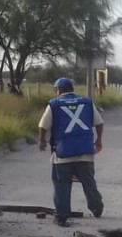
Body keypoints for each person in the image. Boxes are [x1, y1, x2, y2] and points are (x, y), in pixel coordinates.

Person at [38, 77, 105, 226]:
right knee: (89, 183)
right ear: (72, 89)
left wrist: (42, 140)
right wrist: (98, 140)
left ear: (59, 90)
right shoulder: (87, 102)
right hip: (85, 153)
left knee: (61, 184)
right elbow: (99, 123)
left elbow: (43, 125)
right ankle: (97, 208)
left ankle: (62, 216)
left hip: (63, 154)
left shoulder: (54, 104)